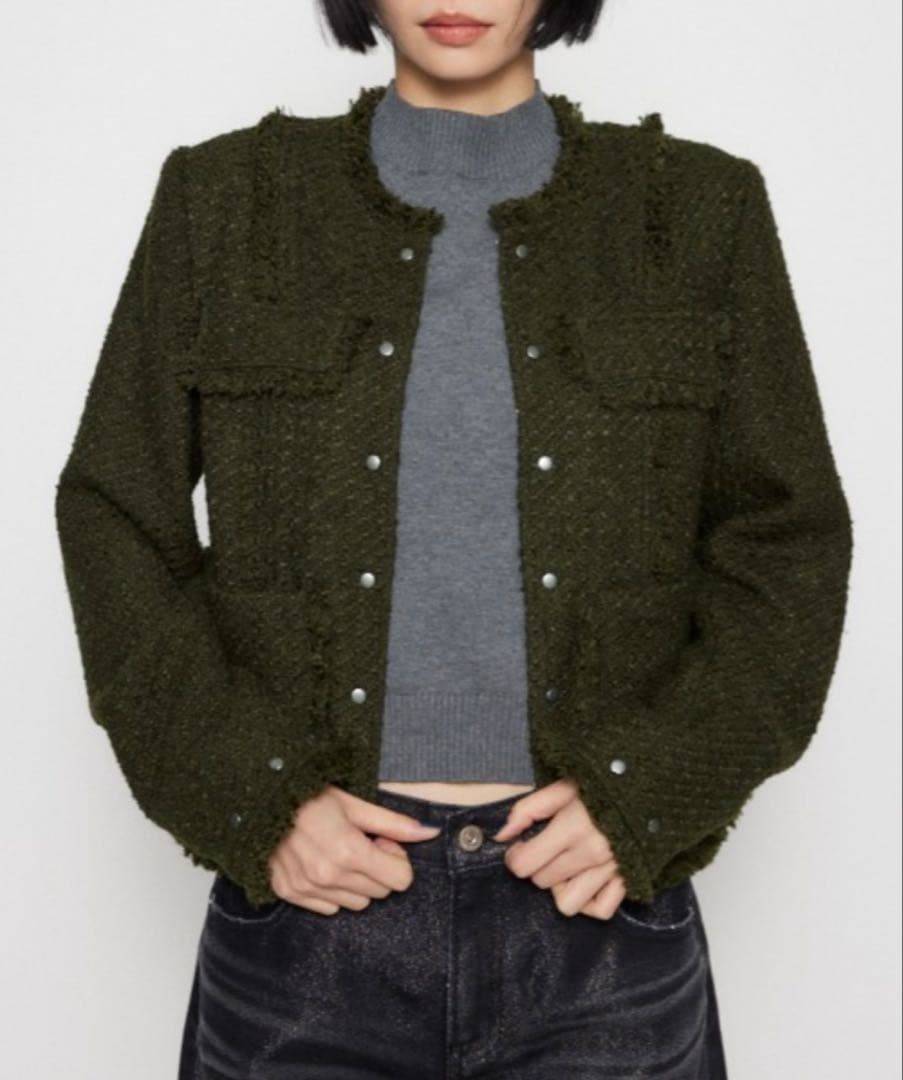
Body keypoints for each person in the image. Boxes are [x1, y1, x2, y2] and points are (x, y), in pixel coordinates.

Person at [54, 1, 853, 1077]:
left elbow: (788, 538)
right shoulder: (227, 200)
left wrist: (650, 790)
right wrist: (253, 793)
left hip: (598, 925)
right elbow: (114, 510)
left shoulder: (697, 211)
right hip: (307, 931)